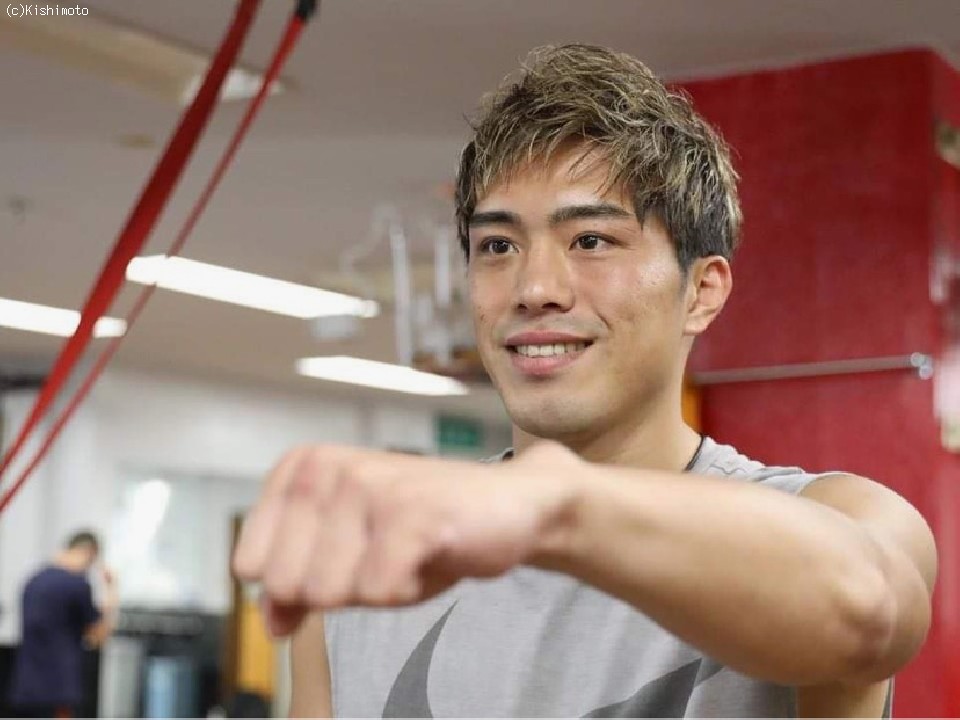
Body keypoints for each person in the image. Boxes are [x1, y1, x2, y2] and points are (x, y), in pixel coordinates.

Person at [232, 44, 938, 717]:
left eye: (591, 240)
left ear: (702, 291)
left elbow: (870, 610)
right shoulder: (370, 575)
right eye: (498, 245)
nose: (534, 288)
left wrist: (558, 506)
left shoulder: (834, 515)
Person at [8, 530, 119, 718]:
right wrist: (112, 589)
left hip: (25, 688)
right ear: (90, 553)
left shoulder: (33, 581)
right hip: (60, 690)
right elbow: (98, 637)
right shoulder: (77, 584)